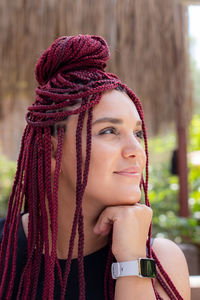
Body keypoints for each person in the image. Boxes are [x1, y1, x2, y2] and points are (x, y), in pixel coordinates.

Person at [0, 34, 190, 300]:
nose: (136, 149)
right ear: (54, 150)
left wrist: (133, 260)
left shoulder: (162, 261)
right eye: (110, 131)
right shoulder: (4, 250)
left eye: (137, 133)